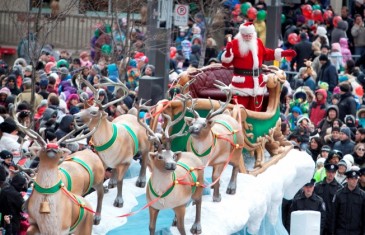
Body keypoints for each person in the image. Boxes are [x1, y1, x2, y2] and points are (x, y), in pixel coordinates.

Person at [221, 22, 296, 111]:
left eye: (250, 35)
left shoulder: (258, 42)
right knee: (239, 111)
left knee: (256, 110)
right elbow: (226, 64)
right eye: (245, 35)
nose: (248, 37)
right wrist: (228, 52)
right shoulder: (235, 43)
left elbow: (267, 53)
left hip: (258, 84)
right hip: (241, 85)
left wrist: (283, 53)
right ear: (241, 34)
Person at [331, 170, 365, 235]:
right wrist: (333, 232)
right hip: (341, 231)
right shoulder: (339, 194)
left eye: (356, 179)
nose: (354, 181)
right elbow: (334, 215)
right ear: (347, 179)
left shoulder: (362, 195)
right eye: (352, 179)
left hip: (356, 232)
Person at [314, 163, 343, 235]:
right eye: (329, 172)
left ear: (335, 173)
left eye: (333, 172)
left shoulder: (339, 188)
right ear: (326, 172)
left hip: (332, 221)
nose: (331, 174)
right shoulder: (317, 186)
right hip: (319, 219)